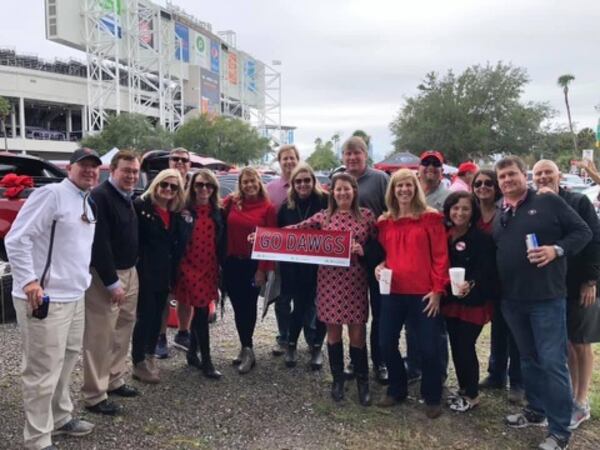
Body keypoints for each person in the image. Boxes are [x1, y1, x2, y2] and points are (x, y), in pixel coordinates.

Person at [493, 155, 591, 450]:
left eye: (512, 174)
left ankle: (560, 430)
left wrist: (557, 250)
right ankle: (535, 411)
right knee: (529, 358)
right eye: (503, 177)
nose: (507, 180)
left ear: (525, 175)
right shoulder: (502, 210)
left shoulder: (548, 201)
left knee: (552, 362)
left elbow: (583, 232)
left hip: (546, 298)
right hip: (512, 299)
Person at [6, 148, 101, 450]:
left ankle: (60, 418)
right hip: (45, 298)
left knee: (66, 360)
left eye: (94, 167)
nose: (90, 171)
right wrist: (30, 282)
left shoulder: (85, 199)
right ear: (70, 168)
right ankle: (37, 438)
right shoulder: (51, 195)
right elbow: (17, 238)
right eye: (84, 165)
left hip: (74, 296)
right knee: (41, 369)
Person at [287, 173, 376, 405]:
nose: (343, 193)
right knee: (333, 332)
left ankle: (362, 381)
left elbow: (378, 248)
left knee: (357, 334)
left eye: (347, 189)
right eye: (338, 190)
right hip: (328, 282)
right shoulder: (323, 217)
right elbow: (296, 230)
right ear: (332, 192)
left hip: (355, 281)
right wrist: (263, 237)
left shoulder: (367, 217)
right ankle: (337, 380)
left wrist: (363, 251)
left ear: (354, 191)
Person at [374, 169, 449, 419]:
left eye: (408, 185)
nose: (404, 190)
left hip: (424, 294)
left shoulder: (430, 218)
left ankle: (432, 395)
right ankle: (397, 389)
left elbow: (440, 257)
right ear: (392, 191)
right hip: (393, 293)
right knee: (386, 342)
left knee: (429, 347)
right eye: (399, 186)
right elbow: (387, 253)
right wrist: (381, 265)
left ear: (415, 188)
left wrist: (438, 290)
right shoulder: (385, 221)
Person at [532, 159, 600, 430]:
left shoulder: (578, 201)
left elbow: (595, 238)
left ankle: (581, 403)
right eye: (538, 173)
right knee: (568, 344)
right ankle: (568, 398)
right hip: (552, 285)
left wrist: (591, 279)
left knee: (581, 342)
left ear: (559, 175)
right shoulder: (534, 203)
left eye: (548, 171)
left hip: (579, 283)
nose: (544, 176)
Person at [82, 150, 141, 416]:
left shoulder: (127, 197)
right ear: (113, 170)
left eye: (135, 171)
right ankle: (95, 395)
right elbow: (99, 244)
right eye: (126, 170)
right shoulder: (101, 197)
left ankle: (114, 379)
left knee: (123, 329)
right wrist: (111, 282)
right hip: (106, 277)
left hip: (130, 271)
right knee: (100, 334)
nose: (131, 176)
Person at [442, 191, 496, 412]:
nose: (460, 212)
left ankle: (472, 395)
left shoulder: (481, 238)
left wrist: (471, 284)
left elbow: (487, 270)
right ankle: (464, 388)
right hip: (450, 301)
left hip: (474, 303)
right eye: (455, 208)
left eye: (465, 208)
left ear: (473, 212)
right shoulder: (445, 235)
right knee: (456, 345)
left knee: (465, 346)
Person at [341, 135, 389, 384]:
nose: (352, 158)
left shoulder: (380, 179)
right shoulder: (340, 180)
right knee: (353, 314)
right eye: (347, 154)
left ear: (365, 155)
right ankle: (354, 358)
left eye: (356, 153)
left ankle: (380, 362)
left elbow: (391, 211)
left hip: (375, 256)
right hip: (346, 260)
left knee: (380, 312)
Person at [130, 169, 185, 384]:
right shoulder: (141, 207)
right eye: (165, 185)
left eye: (174, 187)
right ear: (156, 184)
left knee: (158, 318)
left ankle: (150, 354)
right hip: (145, 271)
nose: (168, 189)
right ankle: (138, 361)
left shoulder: (175, 212)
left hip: (165, 273)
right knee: (144, 317)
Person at [473, 170, 523, 402]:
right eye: (478, 183)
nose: (483, 187)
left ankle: (517, 381)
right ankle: (496, 374)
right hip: (485, 280)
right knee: (498, 329)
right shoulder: (472, 212)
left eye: (488, 183)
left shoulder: (506, 211)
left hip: (508, 278)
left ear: (496, 187)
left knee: (514, 331)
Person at [223, 167, 277, 374]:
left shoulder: (267, 208)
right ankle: (245, 345)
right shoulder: (232, 202)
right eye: (245, 182)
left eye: (252, 181)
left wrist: (263, 270)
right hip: (231, 263)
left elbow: (271, 240)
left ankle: (248, 348)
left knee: (249, 305)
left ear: (259, 182)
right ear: (240, 184)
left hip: (253, 265)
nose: (249, 185)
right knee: (237, 306)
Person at [174, 169, 226, 379]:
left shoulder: (218, 212)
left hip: (209, 268)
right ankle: (206, 361)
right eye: (199, 185)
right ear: (192, 187)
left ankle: (192, 355)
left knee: (200, 311)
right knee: (203, 312)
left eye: (208, 185)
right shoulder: (183, 211)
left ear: (213, 188)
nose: (204, 189)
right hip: (188, 268)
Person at [277, 163, 328, 369]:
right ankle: (291, 345)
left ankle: (317, 347)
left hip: (322, 265)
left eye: (307, 180)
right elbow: (277, 234)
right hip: (295, 268)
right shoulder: (286, 206)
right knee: (298, 308)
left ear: (313, 181)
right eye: (298, 181)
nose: (303, 184)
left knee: (322, 308)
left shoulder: (325, 201)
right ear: (293, 184)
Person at [409, 150, 451, 385]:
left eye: (436, 164)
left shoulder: (446, 198)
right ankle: (414, 367)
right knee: (412, 324)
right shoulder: (411, 194)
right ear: (419, 168)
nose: (431, 168)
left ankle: (439, 373)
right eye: (427, 163)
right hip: (412, 270)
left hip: (436, 268)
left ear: (442, 171)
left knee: (436, 326)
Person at [156, 147, 194, 357]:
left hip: (189, 250)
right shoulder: (163, 182)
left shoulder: (196, 186)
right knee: (164, 295)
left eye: (184, 159)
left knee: (186, 295)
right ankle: (160, 337)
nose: (179, 162)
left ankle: (183, 332)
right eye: (175, 158)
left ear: (190, 164)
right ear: (169, 161)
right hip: (165, 250)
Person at [266, 145, 303, 357]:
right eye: (284, 159)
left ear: (298, 160)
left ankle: (307, 338)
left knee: (306, 299)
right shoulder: (271, 188)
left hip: (306, 254)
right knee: (281, 298)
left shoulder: (309, 184)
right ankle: (284, 336)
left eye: (292, 158)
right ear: (279, 162)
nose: (288, 162)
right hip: (279, 253)